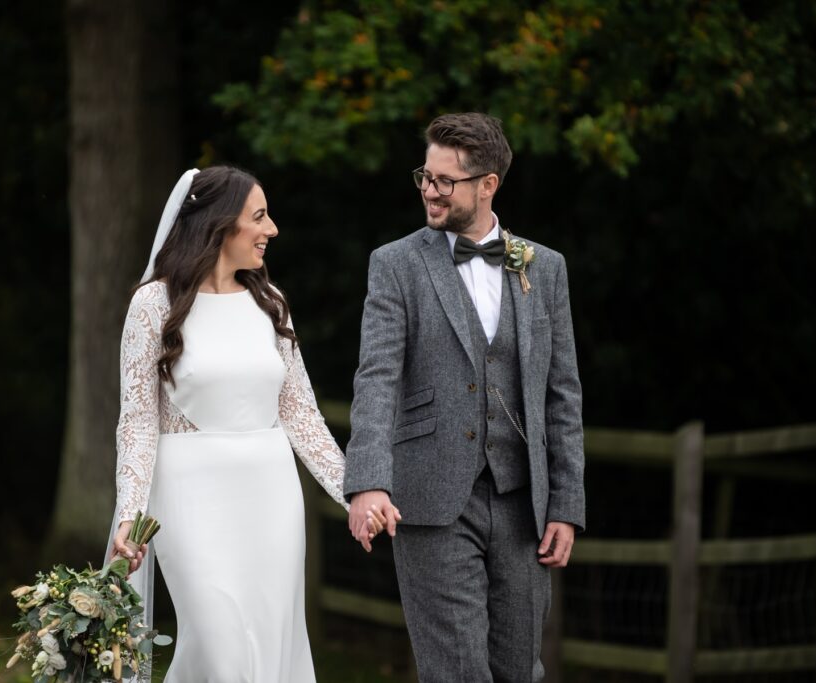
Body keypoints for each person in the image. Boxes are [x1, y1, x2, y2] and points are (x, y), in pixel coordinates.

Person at [105, 165, 376, 682]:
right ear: (218, 225)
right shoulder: (152, 305)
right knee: (220, 646)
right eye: (259, 216)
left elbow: (301, 415)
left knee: (273, 645)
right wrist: (130, 514)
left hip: (271, 497)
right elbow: (137, 423)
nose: (272, 229)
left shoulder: (270, 304)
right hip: (188, 498)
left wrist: (354, 494)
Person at [343, 112, 586, 682]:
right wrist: (368, 480)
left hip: (523, 503)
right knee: (455, 673)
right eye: (424, 176)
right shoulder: (395, 264)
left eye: (444, 181)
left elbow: (563, 394)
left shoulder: (544, 268)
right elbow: (375, 377)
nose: (429, 190)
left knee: (519, 670)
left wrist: (567, 506)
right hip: (430, 500)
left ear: (487, 185)